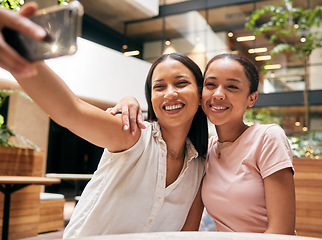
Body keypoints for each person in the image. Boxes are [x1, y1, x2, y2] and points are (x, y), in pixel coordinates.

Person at [0, 3, 209, 238]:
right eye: (159, 87)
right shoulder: (132, 133)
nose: (170, 93)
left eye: (181, 83)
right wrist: (21, 55)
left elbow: (186, 234)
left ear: (201, 96)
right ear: (151, 98)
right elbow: (71, 111)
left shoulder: (199, 167)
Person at [109, 53, 296, 235]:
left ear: (252, 98)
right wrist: (129, 100)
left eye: (231, 86)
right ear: (200, 95)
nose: (219, 94)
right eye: (211, 85)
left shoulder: (268, 137)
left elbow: (281, 231)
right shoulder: (206, 151)